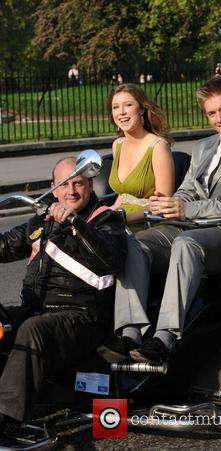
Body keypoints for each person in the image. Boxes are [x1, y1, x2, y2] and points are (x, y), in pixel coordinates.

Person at [99, 76, 221, 365]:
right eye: (212, 113)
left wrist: (188, 210)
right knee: (133, 243)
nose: (219, 119)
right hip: (190, 228)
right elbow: (188, 190)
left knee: (186, 243)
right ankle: (130, 333)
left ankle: (165, 338)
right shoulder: (204, 147)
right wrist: (172, 204)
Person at [0, 156, 127, 430]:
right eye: (64, 184)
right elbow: (5, 245)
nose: (71, 191)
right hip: (36, 312)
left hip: (83, 318)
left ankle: (5, 419)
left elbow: (111, 260)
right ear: (53, 188)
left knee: (33, 329)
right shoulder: (41, 222)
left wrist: (76, 224)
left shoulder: (106, 220)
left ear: (90, 185)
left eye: (79, 183)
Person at [107, 83, 175, 228]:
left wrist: (124, 219)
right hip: (119, 223)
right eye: (116, 107)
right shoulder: (117, 145)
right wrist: (107, 213)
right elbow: (124, 195)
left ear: (142, 109)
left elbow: (163, 205)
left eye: (128, 105)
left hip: (148, 225)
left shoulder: (158, 146)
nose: (122, 112)